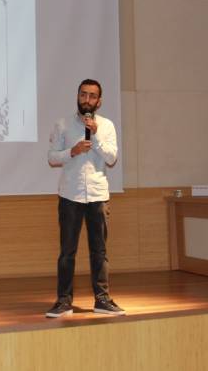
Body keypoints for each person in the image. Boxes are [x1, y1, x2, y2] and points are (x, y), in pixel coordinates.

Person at [45, 79, 124, 318]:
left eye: (92, 96)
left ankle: (102, 300)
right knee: (67, 252)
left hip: (98, 195)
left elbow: (111, 158)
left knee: (99, 251)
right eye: (83, 94)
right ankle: (63, 301)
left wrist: (96, 136)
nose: (86, 100)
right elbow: (52, 157)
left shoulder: (107, 126)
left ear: (99, 101)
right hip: (71, 194)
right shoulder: (63, 125)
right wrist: (73, 151)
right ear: (77, 96)